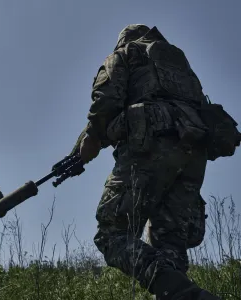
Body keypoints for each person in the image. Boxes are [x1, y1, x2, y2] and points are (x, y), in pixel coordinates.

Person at [73, 24, 227, 299]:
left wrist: (93, 137)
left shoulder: (127, 52)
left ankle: (185, 294)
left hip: (150, 146)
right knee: (170, 244)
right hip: (193, 150)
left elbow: (107, 99)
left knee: (111, 234)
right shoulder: (178, 63)